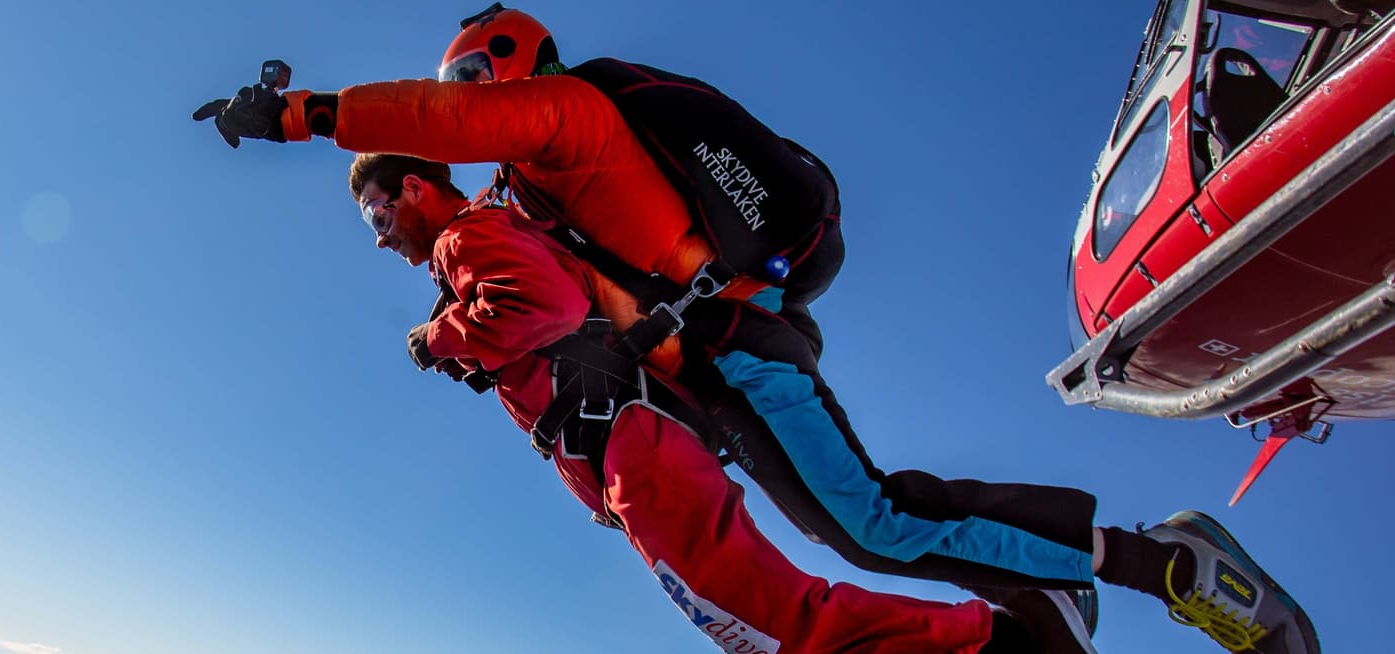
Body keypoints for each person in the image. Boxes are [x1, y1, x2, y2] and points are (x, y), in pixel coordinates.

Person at [194, 7, 1319, 653]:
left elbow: (445, 133)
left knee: (867, 523)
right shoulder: (531, 200)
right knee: (859, 526)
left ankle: (1158, 564)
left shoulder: (569, 115)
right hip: (721, 376)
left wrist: (300, 116)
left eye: (469, 80)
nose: (465, 111)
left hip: (747, 352)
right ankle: (1051, 592)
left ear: (503, 65)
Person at [345, 152, 1088, 654]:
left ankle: (998, 640)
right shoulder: (480, 237)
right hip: (627, 445)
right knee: (745, 618)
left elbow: (546, 305)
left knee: (759, 616)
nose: (380, 240)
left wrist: (441, 337)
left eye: (378, 216)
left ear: (414, 188)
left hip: (630, 435)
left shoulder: (465, 235)